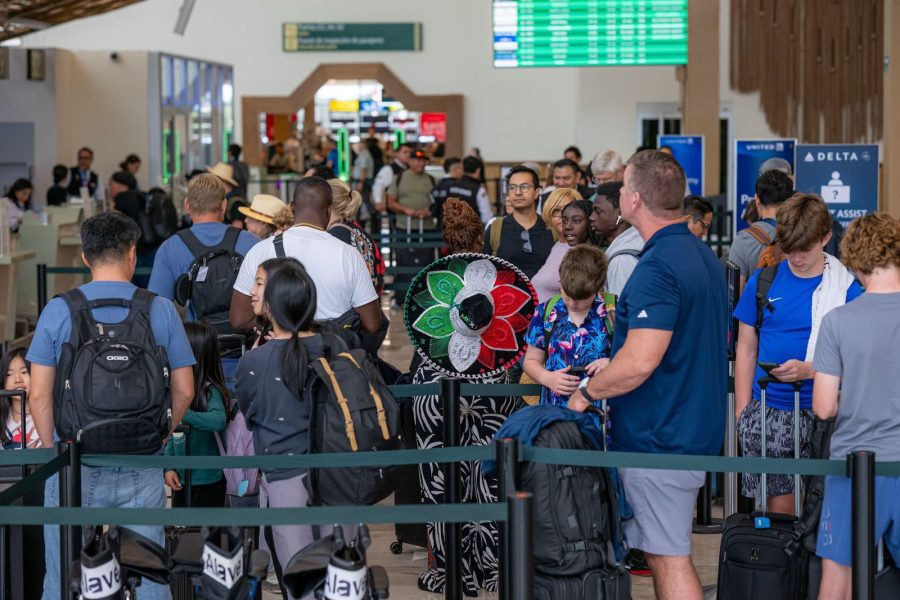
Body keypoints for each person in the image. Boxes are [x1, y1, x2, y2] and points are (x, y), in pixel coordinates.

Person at [568, 150, 727, 600]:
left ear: (635, 199)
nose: (617, 194)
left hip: (661, 435)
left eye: (621, 188)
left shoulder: (657, 267)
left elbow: (641, 361)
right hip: (687, 427)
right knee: (666, 551)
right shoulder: (702, 256)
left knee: (667, 555)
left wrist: (586, 391)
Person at [27, 211, 195, 600]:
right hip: (142, 461)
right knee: (151, 573)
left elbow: (38, 394)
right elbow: (184, 389)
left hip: (74, 464)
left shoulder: (59, 310)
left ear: (85, 257)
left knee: (61, 575)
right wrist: (159, 433)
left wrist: (57, 450)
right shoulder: (160, 309)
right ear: (133, 254)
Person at [404, 220, 536, 595]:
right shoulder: (500, 289)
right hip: (492, 386)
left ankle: (448, 571)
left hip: (435, 388)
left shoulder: (438, 287)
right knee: (489, 477)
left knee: (440, 478)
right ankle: (491, 569)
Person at [733, 194, 861, 514]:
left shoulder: (848, 289)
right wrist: (742, 413)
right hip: (770, 411)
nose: (796, 257)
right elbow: (746, 349)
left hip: (828, 414)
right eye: (788, 248)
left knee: (826, 510)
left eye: (805, 249)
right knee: (779, 515)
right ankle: (787, 566)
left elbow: (861, 360)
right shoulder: (763, 281)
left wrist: (813, 369)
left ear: (826, 237)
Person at [812, 213, 900, 600]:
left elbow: (823, 406)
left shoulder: (838, 322)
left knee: (838, 575)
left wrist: (860, 391)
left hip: (855, 463)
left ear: (854, 259)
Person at [235, 259, 330, 598]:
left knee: (298, 581)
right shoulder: (335, 347)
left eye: (259, 284)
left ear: (275, 301)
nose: (251, 291)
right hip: (337, 476)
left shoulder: (256, 362)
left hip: (284, 478)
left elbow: (249, 413)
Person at [230, 176, 381, 336]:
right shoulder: (349, 255)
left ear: (293, 208)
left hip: (281, 353)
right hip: (332, 354)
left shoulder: (260, 250)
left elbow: (239, 319)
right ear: (329, 211)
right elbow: (372, 324)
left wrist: (277, 324)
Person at [149, 173, 258, 320]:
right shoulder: (251, 242)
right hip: (247, 340)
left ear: (187, 205)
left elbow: (157, 307)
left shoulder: (170, 248)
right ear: (224, 205)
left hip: (196, 340)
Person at [524, 245, 611, 408]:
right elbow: (531, 360)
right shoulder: (546, 312)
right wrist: (546, 378)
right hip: (557, 412)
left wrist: (612, 362)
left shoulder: (613, 312)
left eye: (581, 298)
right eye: (567, 295)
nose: (572, 303)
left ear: (597, 288)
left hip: (601, 411)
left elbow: (635, 356)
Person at [165, 321, 228, 508]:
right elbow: (170, 433)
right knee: (182, 532)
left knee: (208, 534)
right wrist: (168, 467)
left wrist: (184, 414)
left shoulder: (210, 391)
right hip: (182, 478)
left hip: (208, 479)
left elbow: (218, 420)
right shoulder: (174, 390)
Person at [727, 169, 794, 291]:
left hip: (759, 309)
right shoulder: (801, 234)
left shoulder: (744, 240)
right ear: (789, 201)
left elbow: (734, 296)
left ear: (757, 200)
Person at [483, 165, 555, 279]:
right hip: (505, 295)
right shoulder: (495, 229)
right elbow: (484, 272)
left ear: (537, 192)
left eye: (524, 187)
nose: (518, 192)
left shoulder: (552, 230)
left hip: (548, 297)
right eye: (512, 187)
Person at [326, 178, 385, 297]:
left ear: (328, 204)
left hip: (350, 311)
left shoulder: (334, 236)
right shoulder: (358, 231)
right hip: (368, 307)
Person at [590, 181, 644, 297]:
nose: (591, 217)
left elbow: (620, 310)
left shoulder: (622, 260)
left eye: (598, 211)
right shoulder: (637, 240)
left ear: (620, 214)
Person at [109, 171, 159, 288]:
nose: (109, 188)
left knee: (134, 286)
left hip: (135, 248)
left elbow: (114, 224)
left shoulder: (121, 198)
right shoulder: (141, 195)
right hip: (149, 243)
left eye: (111, 184)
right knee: (148, 285)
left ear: (120, 185)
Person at [530, 188, 580, 302]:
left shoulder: (580, 251)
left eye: (568, 209)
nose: (562, 216)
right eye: (556, 210)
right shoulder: (558, 245)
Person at [432, 156, 493, 225]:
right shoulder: (478, 190)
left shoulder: (450, 186)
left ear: (463, 169)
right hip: (470, 231)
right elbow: (486, 217)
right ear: (478, 170)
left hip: (449, 230)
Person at [386, 148, 435, 229]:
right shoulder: (399, 178)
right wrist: (405, 210)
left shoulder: (432, 179)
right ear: (409, 161)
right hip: (404, 227)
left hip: (427, 227)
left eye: (423, 161)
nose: (422, 163)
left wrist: (429, 211)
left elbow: (438, 202)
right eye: (418, 161)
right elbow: (390, 202)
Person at [1, 347, 38, 449]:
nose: (18, 380)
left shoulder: (44, 416)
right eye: (9, 374)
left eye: (24, 372)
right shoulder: (2, 417)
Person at [371, 142, 412, 213]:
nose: (408, 155)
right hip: (391, 209)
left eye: (410, 153)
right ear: (397, 153)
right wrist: (378, 202)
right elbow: (378, 186)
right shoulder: (388, 169)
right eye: (405, 152)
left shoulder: (410, 169)